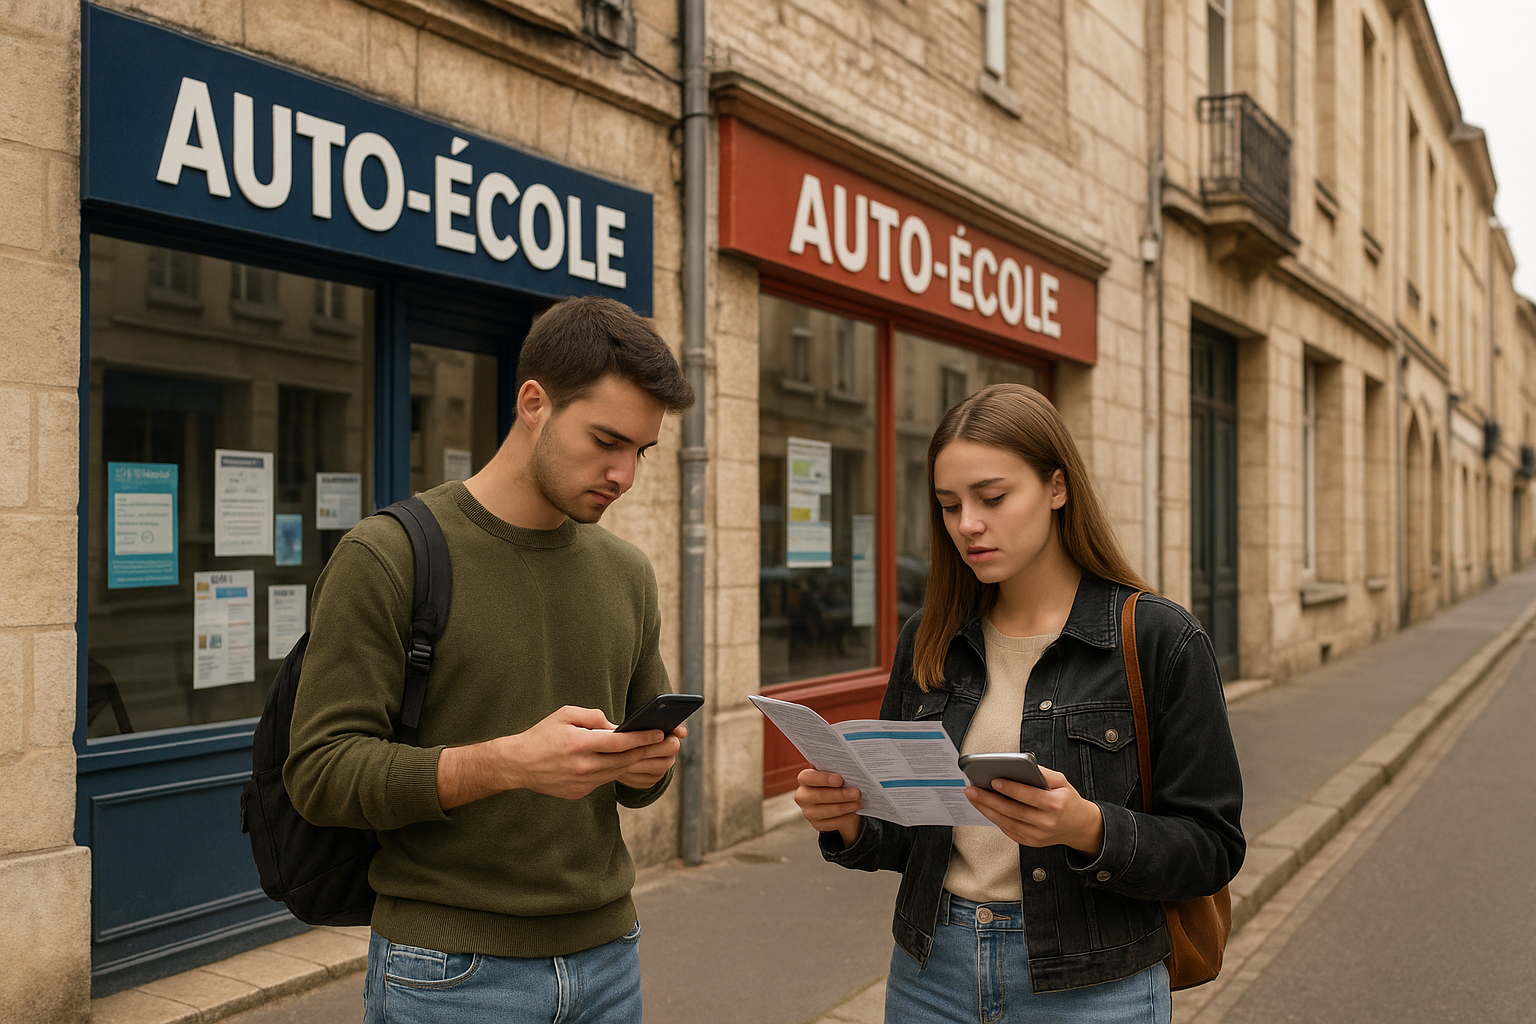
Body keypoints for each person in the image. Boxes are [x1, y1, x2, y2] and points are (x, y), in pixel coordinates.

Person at [285, 296, 695, 1024]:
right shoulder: (387, 554)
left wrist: (645, 766)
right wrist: (507, 764)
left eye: (641, 450)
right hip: (448, 970)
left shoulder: (627, 571)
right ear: (534, 403)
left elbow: (640, 784)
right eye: (606, 440)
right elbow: (321, 773)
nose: (624, 474)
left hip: (610, 956)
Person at [795, 384, 1244, 1024]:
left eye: (993, 497)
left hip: (1095, 985)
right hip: (932, 974)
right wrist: (845, 819)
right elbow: (902, 840)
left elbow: (1213, 848)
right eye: (950, 505)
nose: (967, 524)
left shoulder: (1158, 639)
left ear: (1057, 487)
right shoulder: (930, 638)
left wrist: (1087, 828)